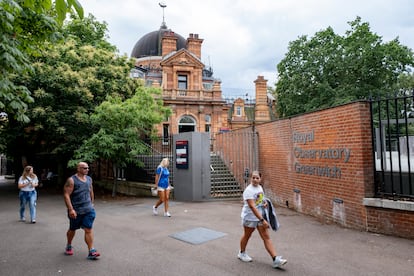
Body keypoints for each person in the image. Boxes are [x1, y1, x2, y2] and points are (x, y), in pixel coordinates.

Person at [238, 170, 287, 269]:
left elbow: (260, 199)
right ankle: (242, 253)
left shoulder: (260, 187)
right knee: (247, 235)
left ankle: (275, 259)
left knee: (266, 237)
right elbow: (252, 206)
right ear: (250, 178)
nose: (255, 180)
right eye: (253, 178)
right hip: (250, 217)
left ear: (260, 179)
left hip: (259, 216)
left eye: (257, 178)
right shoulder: (248, 191)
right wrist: (262, 220)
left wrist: (264, 203)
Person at [63, 162, 100, 260]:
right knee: (72, 229)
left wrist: (92, 203)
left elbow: (90, 191)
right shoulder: (71, 180)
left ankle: (91, 251)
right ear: (78, 169)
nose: (87, 169)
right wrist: (71, 209)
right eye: (84, 168)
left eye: (88, 168)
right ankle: (69, 244)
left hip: (88, 210)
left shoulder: (89, 179)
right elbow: (66, 195)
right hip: (76, 211)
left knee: (88, 229)